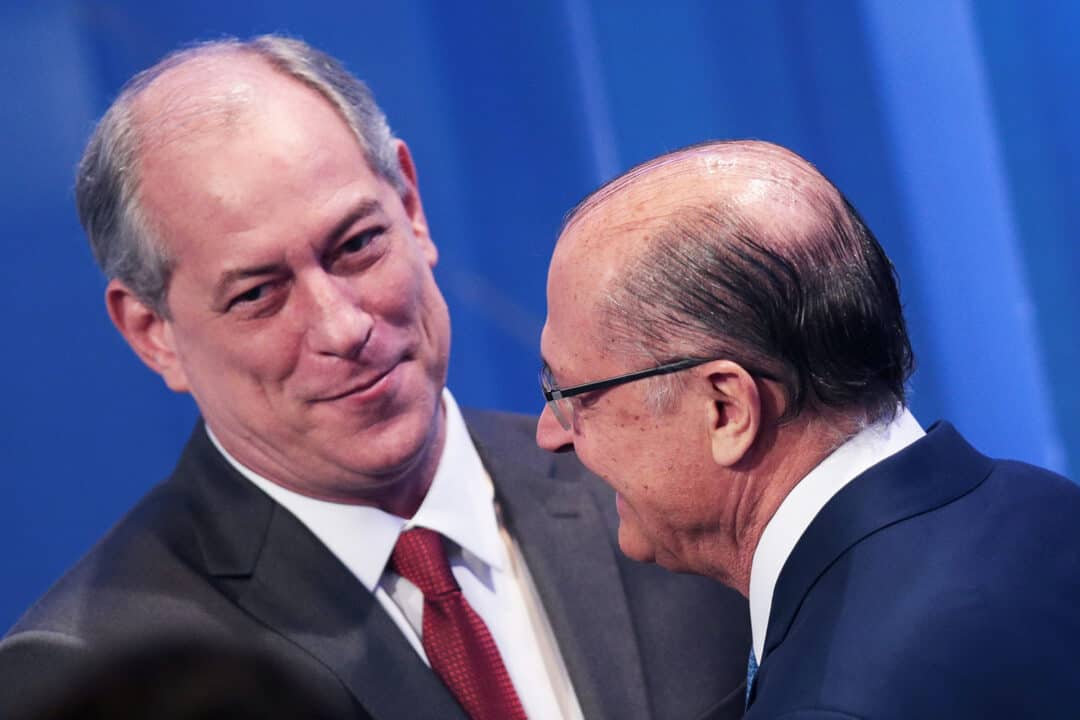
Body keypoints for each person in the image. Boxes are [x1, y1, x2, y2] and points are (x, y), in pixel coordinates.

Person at [0, 37, 751, 720]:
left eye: (356, 245)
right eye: (259, 294)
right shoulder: (92, 673)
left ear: (412, 206)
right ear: (152, 331)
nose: (343, 327)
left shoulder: (671, 490)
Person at [536, 139, 1080, 719]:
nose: (551, 432)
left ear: (726, 409)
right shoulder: (1049, 510)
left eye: (571, 395)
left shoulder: (831, 701)